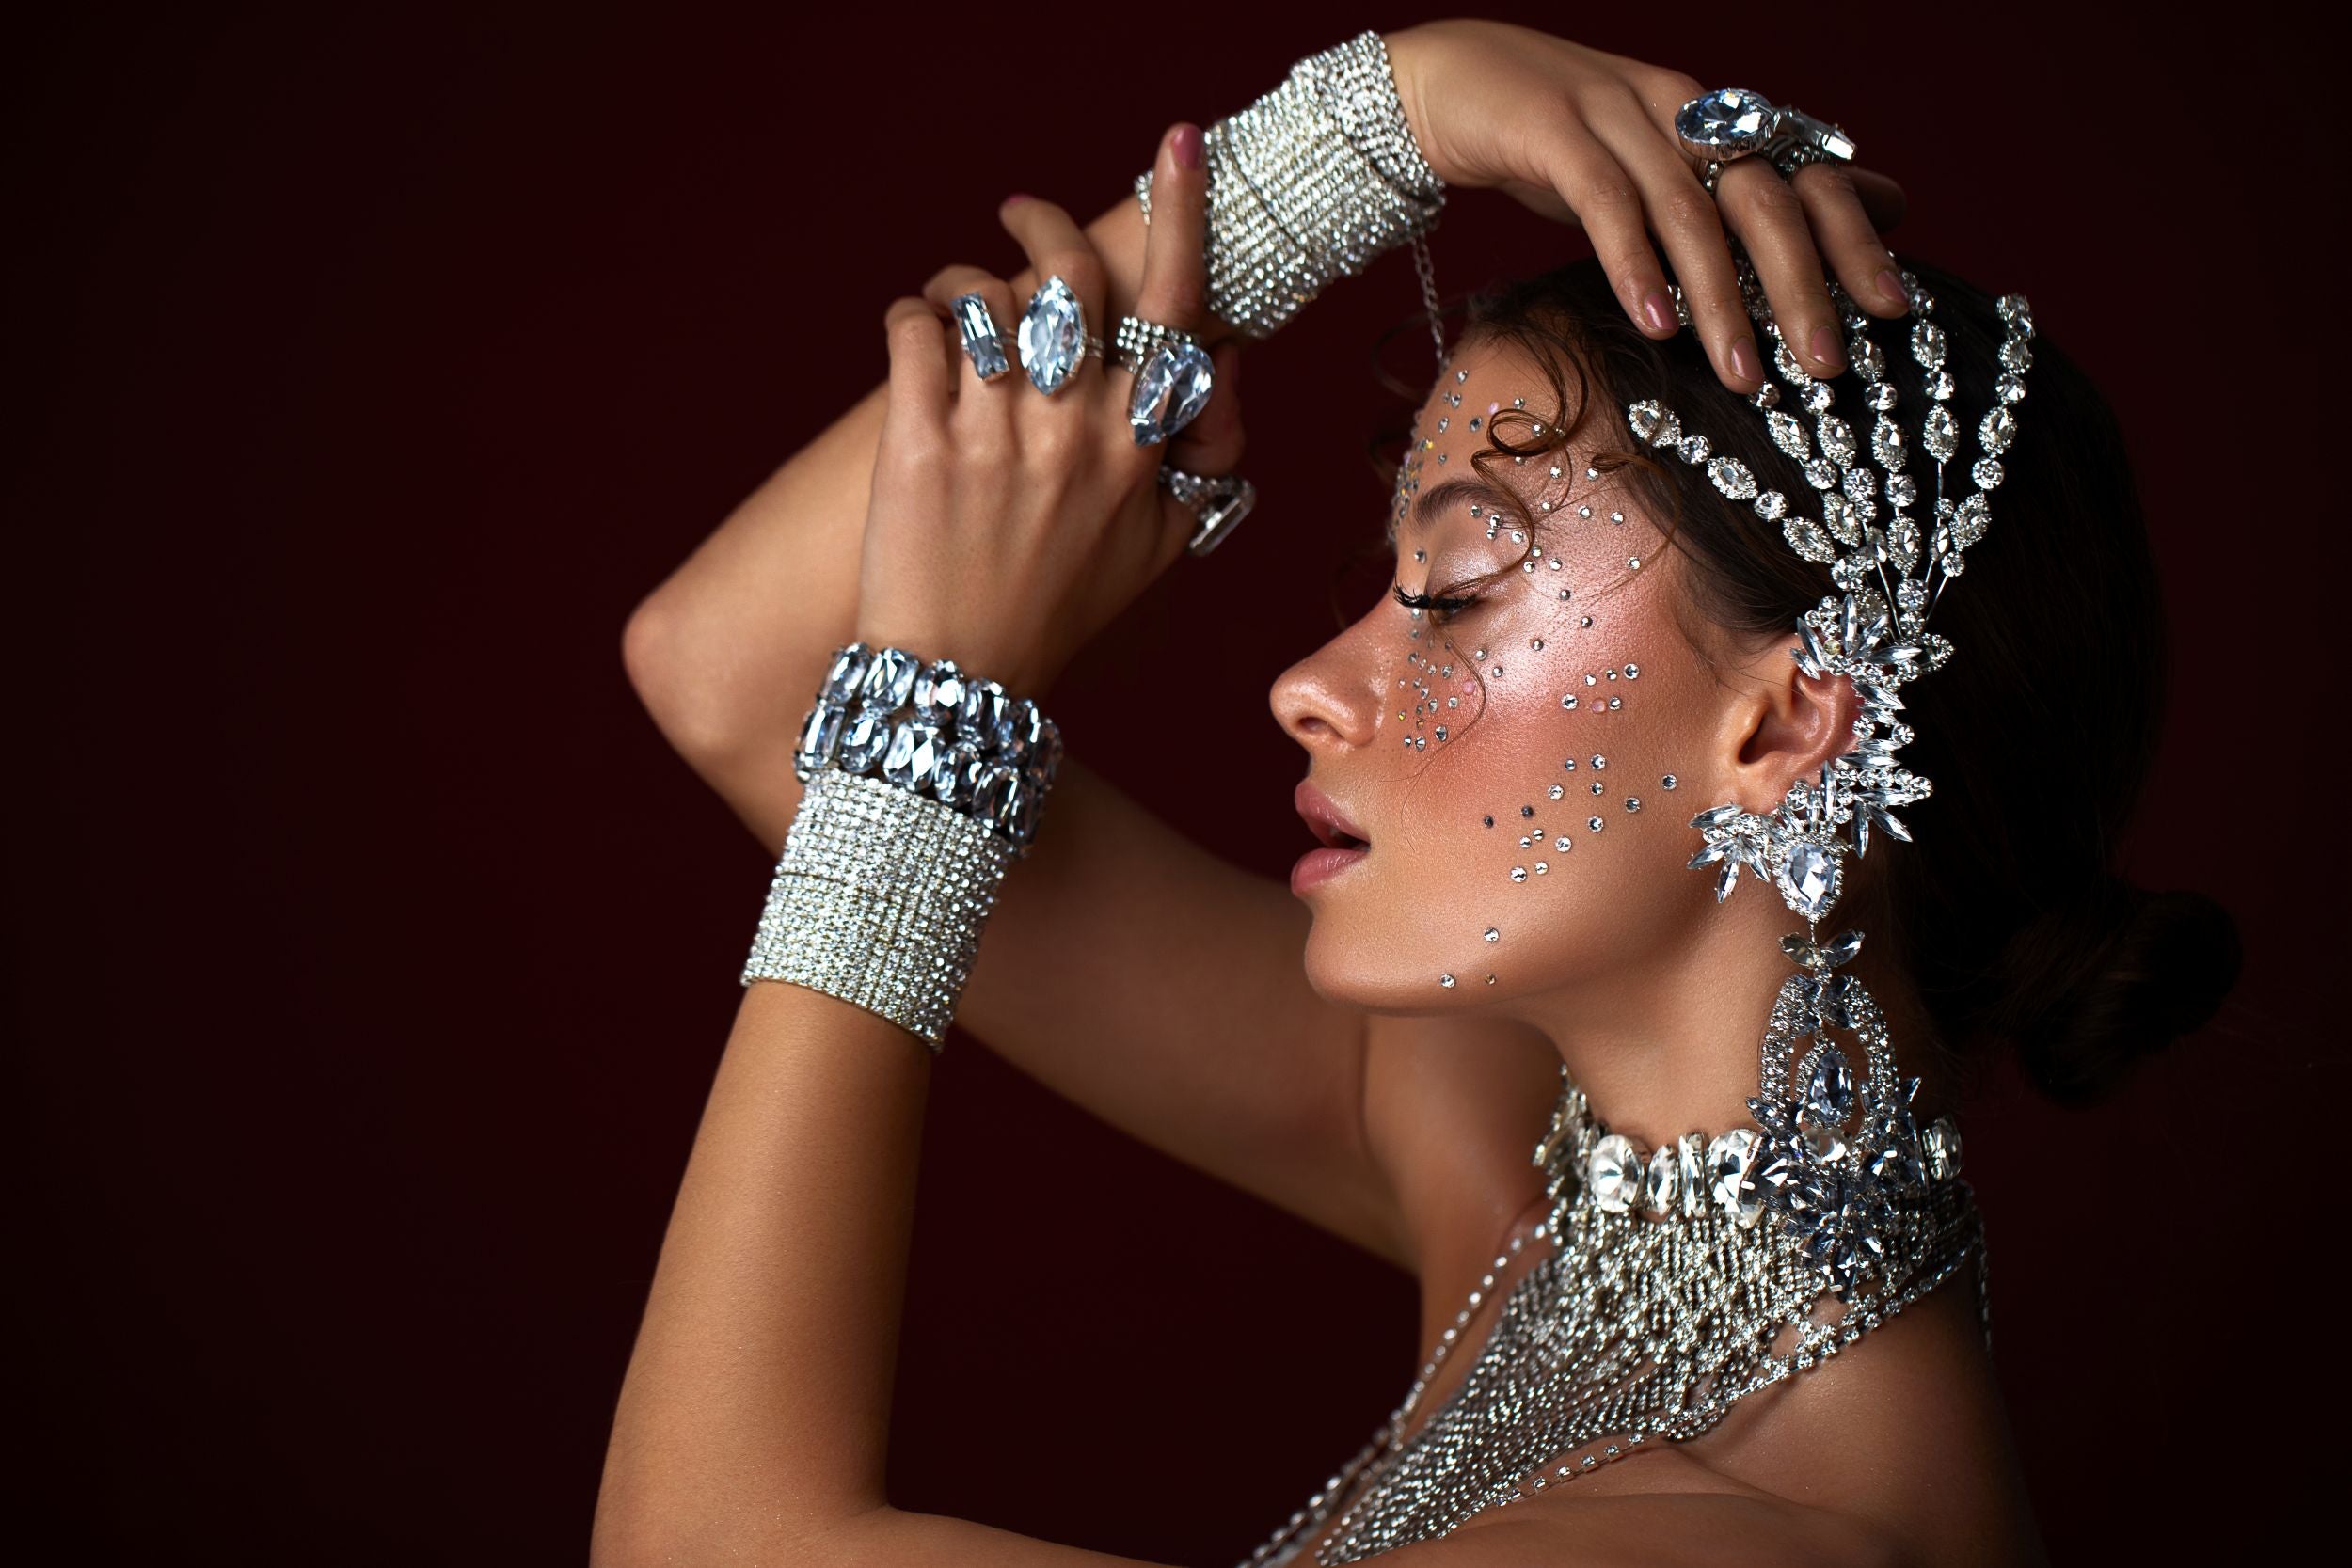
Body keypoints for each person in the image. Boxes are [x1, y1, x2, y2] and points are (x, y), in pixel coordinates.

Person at [591, 22, 2238, 1566]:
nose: (1307, 683)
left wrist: (938, 694)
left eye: (1452, 592)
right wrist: (1379, 123)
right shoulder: (1499, 1148)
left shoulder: (1762, 1537)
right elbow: (732, 670)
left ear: (1785, 725)